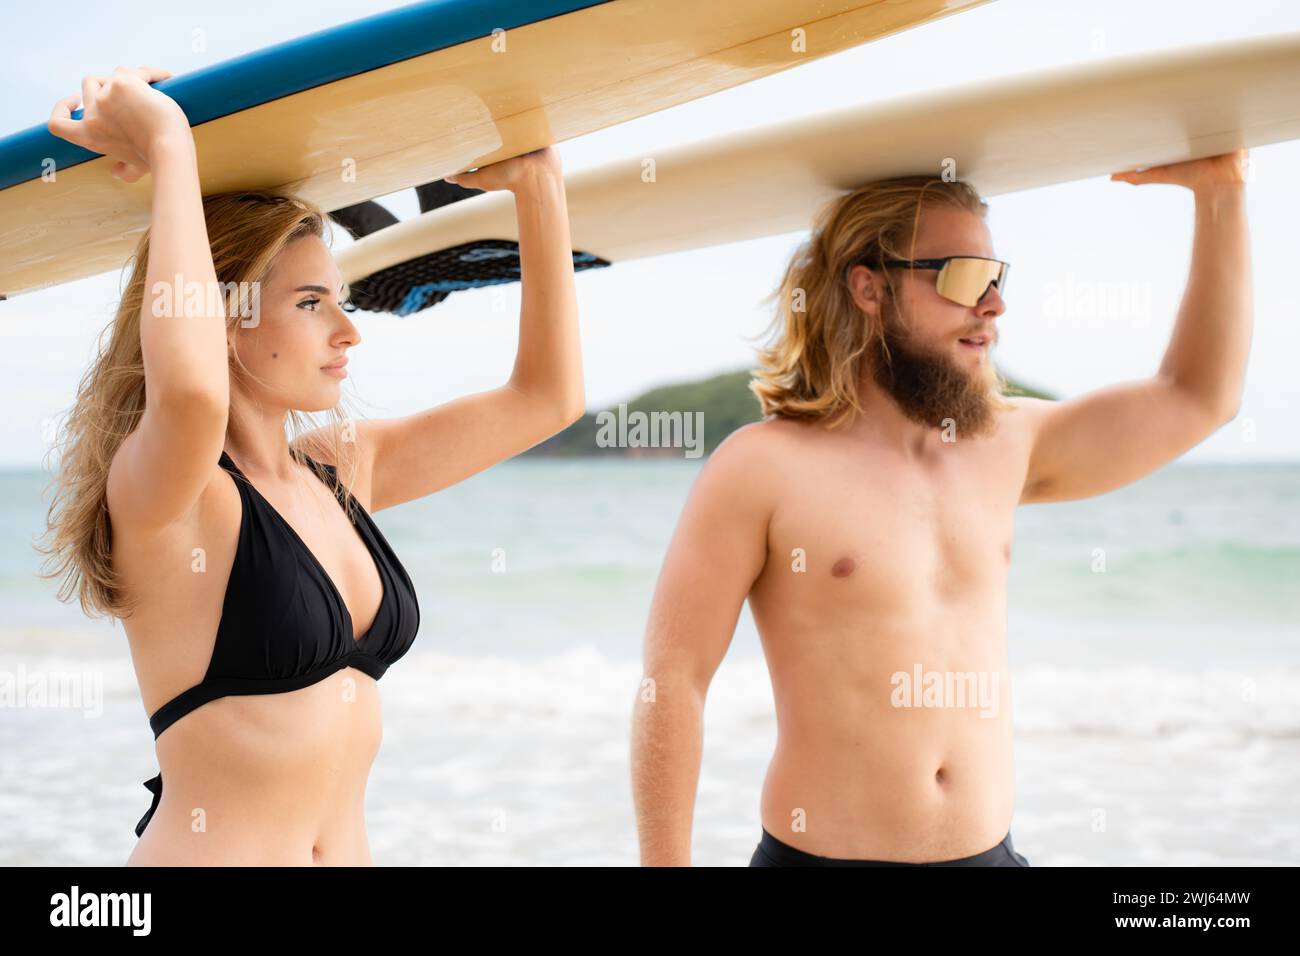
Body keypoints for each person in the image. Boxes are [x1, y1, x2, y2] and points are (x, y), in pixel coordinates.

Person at [630, 153, 1251, 866]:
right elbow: (673, 678)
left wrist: (1219, 194)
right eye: (961, 277)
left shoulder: (1008, 444)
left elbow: (1199, 397)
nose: (992, 305)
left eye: (995, 278)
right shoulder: (762, 466)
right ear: (869, 287)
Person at [38, 66, 584, 865]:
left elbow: (547, 399)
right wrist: (168, 147)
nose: (348, 331)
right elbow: (189, 394)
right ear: (227, 321)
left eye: (341, 300)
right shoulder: (168, 493)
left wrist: (538, 190)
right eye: (310, 304)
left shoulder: (341, 470)